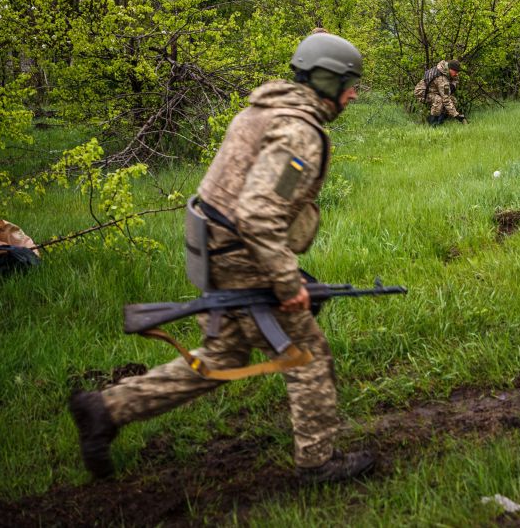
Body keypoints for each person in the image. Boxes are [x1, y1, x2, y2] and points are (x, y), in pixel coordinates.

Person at [69, 29, 376, 483]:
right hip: (242, 255)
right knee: (309, 353)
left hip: (216, 251)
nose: (352, 95)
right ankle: (317, 462)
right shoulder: (297, 133)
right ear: (326, 80)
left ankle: (106, 409)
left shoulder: (264, 110)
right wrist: (289, 284)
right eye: (349, 84)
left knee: (224, 356)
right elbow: (258, 214)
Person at [416, 60, 465, 126]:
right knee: (438, 100)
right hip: (422, 92)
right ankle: (433, 123)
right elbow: (446, 100)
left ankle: (441, 120)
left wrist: (453, 85)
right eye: (455, 72)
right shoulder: (442, 79)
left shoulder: (446, 69)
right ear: (450, 69)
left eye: (458, 72)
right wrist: (456, 115)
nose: (457, 74)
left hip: (433, 90)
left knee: (453, 100)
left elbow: (456, 79)